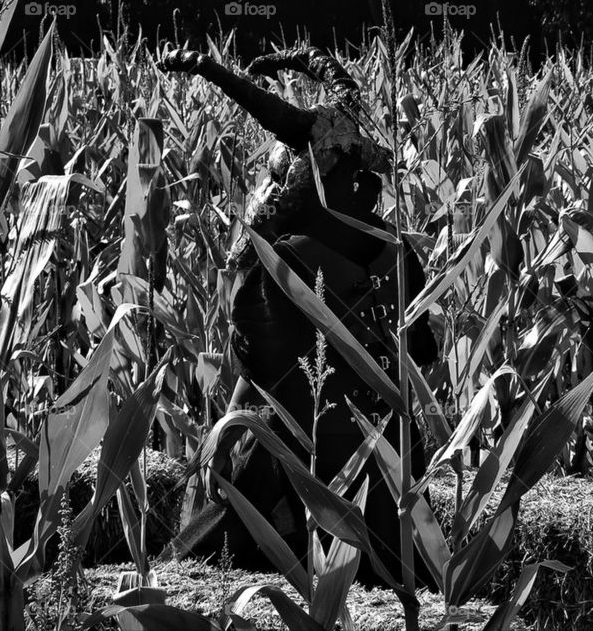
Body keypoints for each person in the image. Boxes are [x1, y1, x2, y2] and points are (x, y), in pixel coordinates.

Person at [158, 47, 438, 587]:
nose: (366, 182)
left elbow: (256, 369)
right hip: (363, 473)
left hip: (327, 467)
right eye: (357, 169)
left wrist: (211, 68)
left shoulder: (287, 258)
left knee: (252, 459)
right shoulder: (386, 254)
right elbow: (421, 352)